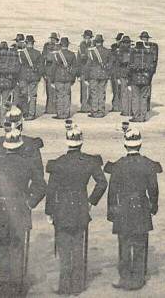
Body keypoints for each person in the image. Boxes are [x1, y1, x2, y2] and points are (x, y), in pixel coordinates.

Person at [0, 129, 47, 297]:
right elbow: (41, 186)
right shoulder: (27, 164)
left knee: (1, 251)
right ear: (20, 146)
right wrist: (30, 202)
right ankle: (17, 291)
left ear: (5, 146)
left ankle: (3, 290)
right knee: (17, 251)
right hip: (20, 210)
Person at [45, 124, 108, 295]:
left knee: (64, 249)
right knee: (78, 247)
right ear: (82, 142)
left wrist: (49, 212)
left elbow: (51, 189)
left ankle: (64, 286)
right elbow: (102, 182)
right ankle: (78, 286)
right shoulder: (89, 161)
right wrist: (91, 201)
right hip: (80, 207)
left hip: (62, 208)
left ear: (67, 142)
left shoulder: (58, 163)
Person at [104, 128, 162, 290]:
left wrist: (111, 211)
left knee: (124, 244)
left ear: (125, 145)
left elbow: (112, 191)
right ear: (140, 145)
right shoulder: (148, 165)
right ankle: (138, 279)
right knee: (140, 244)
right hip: (141, 207)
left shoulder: (118, 165)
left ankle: (125, 278)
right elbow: (153, 189)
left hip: (123, 208)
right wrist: (153, 206)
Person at [0, 41, 20, 128]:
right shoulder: (12, 56)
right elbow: (16, 70)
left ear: (0, 48)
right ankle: (4, 122)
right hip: (8, 82)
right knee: (5, 103)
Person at [86, 34, 114, 118]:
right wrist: (107, 69)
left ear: (95, 42)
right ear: (102, 42)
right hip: (104, 74)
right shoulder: (107, 51)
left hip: (93, 75)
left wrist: (86, 76)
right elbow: (111, 61)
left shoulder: (91, 52)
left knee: (94, 93)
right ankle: (101, 111)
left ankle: (95, 112)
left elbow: (88, 65)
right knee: (102, 93)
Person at [17, 35, 42, 120]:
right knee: (33, 96)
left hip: (23, 76)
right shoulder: (38, 53)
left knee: (23, 95)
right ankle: (31, 114)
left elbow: (18, 66)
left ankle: (24, 113)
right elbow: (41, 67)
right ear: (33, 43)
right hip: (34, 76)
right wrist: (38, 76)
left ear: (26, 43)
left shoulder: (21, 53)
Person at [129, 41, 154, 122]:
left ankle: (136, 116)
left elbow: (129, 67)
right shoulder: (149, 52)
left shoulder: (133, 52)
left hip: (135, 78)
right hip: (145, 79)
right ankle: (143, 116)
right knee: (143, 98)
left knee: (135, 98)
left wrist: (129, 80)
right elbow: (151, 67)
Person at [54, 37, 78, 120]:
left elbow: (53, 68)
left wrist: (52, 79)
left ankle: (60, 114)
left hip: (59, 77)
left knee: (59, 95)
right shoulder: (72, 54)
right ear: (68, 45)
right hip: (68, 77)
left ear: (61, 45)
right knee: (67, 95)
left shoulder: (56, 54)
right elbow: (75, 67)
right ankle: (66, 113)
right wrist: (73, 76)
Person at [139, 32, 158, 112]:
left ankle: (146, 105)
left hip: (147, 71)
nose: (144, 40)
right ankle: (144, 105)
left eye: (145, 38)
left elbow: (154, 60)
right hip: (145, 71)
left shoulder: (152, 47)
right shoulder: (152, 47)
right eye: (143, 38)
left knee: (146, 88)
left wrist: (152, 71)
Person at [42, 33, 60, 114]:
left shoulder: (57, 47)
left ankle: (54, 108)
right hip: (49, 70)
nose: (52, 40)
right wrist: (43, 73)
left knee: (55, 90)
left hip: (54, 70)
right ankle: (50, 109)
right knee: (50, 91)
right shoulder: (47, 46)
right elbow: (43, 59)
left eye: (54, 39)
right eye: (52, 38)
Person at [78, 30, 93, 114]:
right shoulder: (81, 46)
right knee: (83, 90)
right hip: (83, 70)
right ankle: (84, 106)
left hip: (91, 71)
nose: (86, 39)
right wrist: (78, 74)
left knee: (92, 89)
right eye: (85, 37)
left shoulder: (93, 45)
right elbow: (78, 60)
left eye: (88, 37)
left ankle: (91, 106)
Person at [110, 32, 125, 112]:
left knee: (120, 89)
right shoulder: (114, 48)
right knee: (116, 90)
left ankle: (119, 106)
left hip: (118, 72)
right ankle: (116, 106)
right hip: (115, 72)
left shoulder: (116, 49)